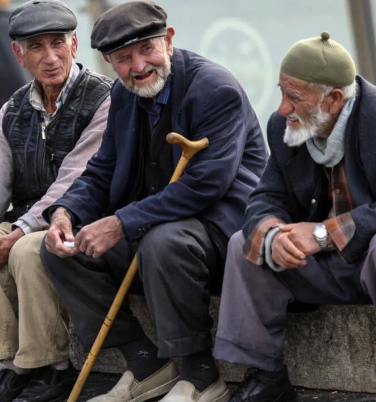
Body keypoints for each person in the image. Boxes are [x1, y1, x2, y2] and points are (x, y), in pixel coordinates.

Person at [40, 2, 267, 402]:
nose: (139, 66)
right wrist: (65, 212)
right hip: (155, 226)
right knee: (62, 250)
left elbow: (205, 186)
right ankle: (146, 362)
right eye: (124, 58)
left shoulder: (215, 89)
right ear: (108, 61)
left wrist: (121, 222)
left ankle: (200, 374)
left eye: (147, 49)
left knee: (162, 241)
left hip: (220, 229)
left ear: (170, 39)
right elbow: (102, 170)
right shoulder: (124, 95)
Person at [0, 1, 112, 401]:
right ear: (19, 55)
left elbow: (75, 180)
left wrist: (18, 231)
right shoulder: (13, 109)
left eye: (58, 43)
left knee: (24, 250)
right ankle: (13, 365)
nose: (51, 57)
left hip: (82, 218)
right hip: (27, 218)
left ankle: (53, 365)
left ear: (75, 44)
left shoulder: (103, 99)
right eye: (36, 47)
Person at [213, 32, 371, 402]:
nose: (282, 108)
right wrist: (273, 237)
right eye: (281, 93)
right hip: (322, 267)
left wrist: (321, 234)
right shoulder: (283, 125)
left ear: (333, 99)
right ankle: (266, 377)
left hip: (367, 260)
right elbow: (266, 196)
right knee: (244, 243)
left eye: (294, 97)